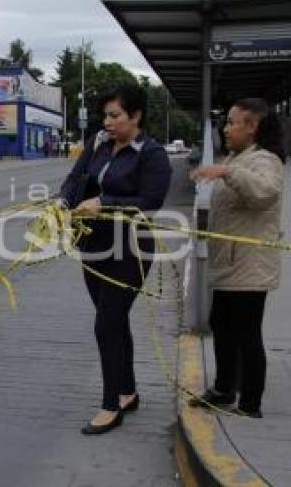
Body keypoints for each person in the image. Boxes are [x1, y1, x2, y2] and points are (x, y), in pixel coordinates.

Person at [58, 84, 172, 434]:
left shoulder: (152, 154)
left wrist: (105, 203)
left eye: (115, 116)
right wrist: (63, 201)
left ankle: (110, 406)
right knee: (115, 320)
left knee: (106, 324)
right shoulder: (97, 144)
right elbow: (75, 178)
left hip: (131, 250)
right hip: (93, 246)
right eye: (105, 115)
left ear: (135, 116)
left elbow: (150, 202)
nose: (107, 122)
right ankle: (128, 391)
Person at [189, 98, 285, 418]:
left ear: (252, 125)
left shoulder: (265, 160)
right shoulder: (240, 156)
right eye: (226, 122)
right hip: (232, 264)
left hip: (250, 265)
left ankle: (250, 403)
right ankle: (223, 389)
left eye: (232, 122)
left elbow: (264, 192)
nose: (226, 128)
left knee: (246, 333)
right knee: (222, 324)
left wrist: (227, 171)